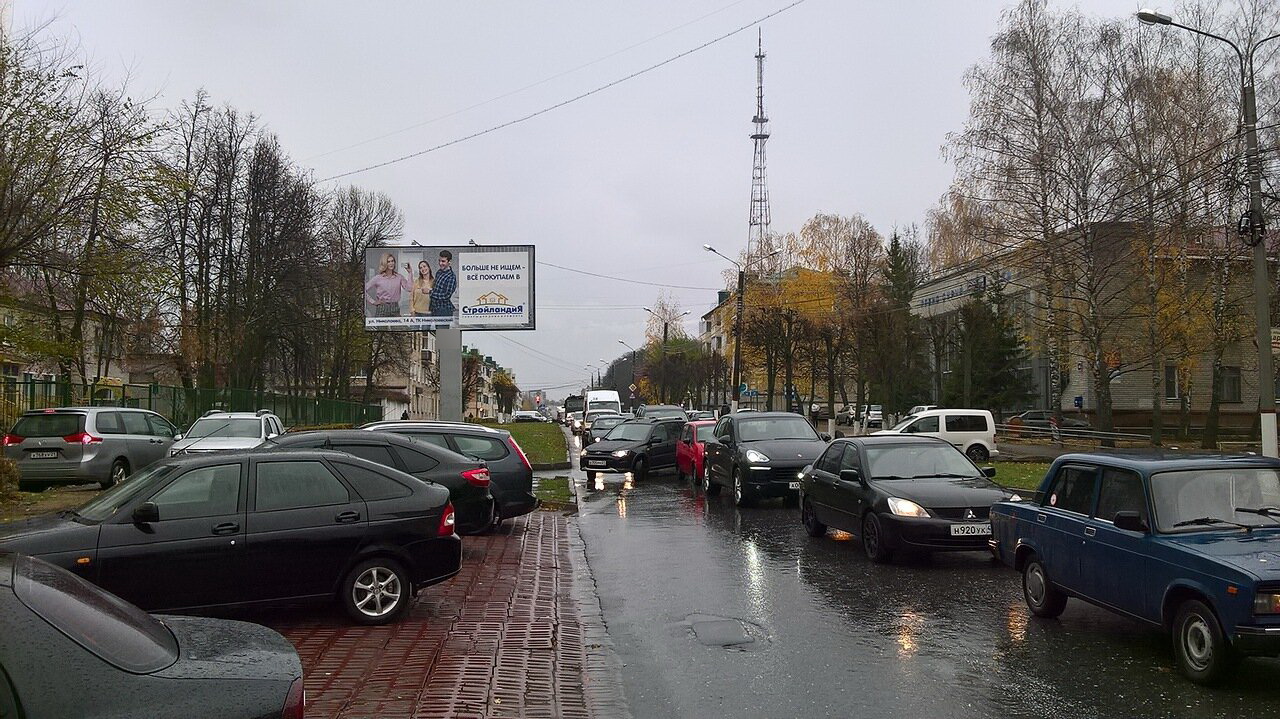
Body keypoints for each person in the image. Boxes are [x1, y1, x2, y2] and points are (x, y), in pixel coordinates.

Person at [364, 252, 412, 317]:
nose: (391, 263)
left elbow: (409, 288)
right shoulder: (378, 278)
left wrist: (410, 273)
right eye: (388, 261)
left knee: (398, 327)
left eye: (392, 261)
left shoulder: (399, 277)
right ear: (384, 263)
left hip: (395, 307)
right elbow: (363, 290)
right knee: (381, 327)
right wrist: (373, 302)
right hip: (382, 307)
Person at [429, 249, 457, 318]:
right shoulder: (439, 272)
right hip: (435, 308)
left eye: (443, 261)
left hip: (444, 310)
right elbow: (436, 288)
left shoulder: (451, 276)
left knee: (442, 329)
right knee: (436, 329)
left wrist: (429, 292)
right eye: (439, 260)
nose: (440, 263)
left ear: (449, 262)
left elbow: (446, 296)